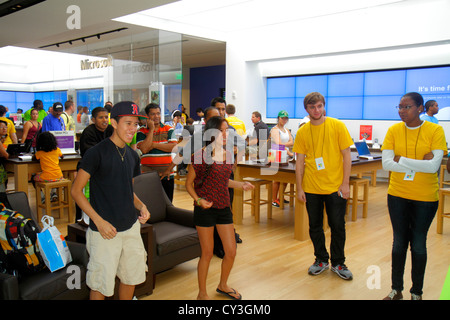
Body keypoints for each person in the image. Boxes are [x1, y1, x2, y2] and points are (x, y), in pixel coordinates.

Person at [71, 101, 150, 300]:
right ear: (114, 123)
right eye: (128, 123)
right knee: (100, 284)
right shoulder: (96, 153)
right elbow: (76, 191)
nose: (133, 129)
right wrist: (98, 221)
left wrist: (141, 206)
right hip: (104, 232)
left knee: (131, 277)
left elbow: (127, 190)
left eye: (135, 124)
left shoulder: (133, 155)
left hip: (130, 227)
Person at [381, 92, 447, 300]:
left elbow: (433, 166)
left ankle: (416, 292)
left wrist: (403, 160)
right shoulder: (393, 130)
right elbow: (386, 164)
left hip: (425, 198)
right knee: (398, 243)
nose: (402, 111)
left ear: (419, 108)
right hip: (397, 194)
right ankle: (396, 289)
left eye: (407, 107)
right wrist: (420, 162)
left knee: (418, 244)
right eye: (399, 107)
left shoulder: (435, 130)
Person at [185, 116, 254, 300]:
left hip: (223, 207)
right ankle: (202, 293)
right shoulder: (199, 156)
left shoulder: (229, 154)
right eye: (222, 131)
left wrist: (241, 185)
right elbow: (189, 184)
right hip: (205, 209)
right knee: (207, 253)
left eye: (227, 131)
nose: (226, 134)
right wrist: (198, 200)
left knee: (231, 251)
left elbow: (224, 181)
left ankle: (223, 285)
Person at [293, 92, 353, 281]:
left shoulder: (337, 125)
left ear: (324, 106)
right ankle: (320, 259)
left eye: (319, 106)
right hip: (311, 188)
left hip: (335, 187)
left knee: (338, 226)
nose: (316, 110)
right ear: (306, 109)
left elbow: (346, 156)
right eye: (312, 107)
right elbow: (300, 163)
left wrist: (345, 184)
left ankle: (338, 262)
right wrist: (300, 188)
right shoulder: (303, 132)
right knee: (315, 226)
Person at [75, 107, 114, 222]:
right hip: (89, 172)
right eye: (101, 117)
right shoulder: (88, 132)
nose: (105, 120)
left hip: (107, 171)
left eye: (106, 117)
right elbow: (90, 154)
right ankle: (80, 223)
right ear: (93, 119)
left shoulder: (111, 130)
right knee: (86, 200)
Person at [137, 103, 177, 202]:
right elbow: (145, 149)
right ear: (147, 116)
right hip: (147, 176)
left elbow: (174, 148)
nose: (156, 116)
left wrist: (154, 145)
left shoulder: (168, 129)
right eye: (153, 114)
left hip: (166, 174)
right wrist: (151, 130)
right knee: (149, 205)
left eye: (158, 113)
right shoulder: (141, 132)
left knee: (168, 204)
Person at [270, 110, 294, 207]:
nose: (284, 120)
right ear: (278, 118)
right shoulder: (275, 130)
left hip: (284, 155)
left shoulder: (286, 130)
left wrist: (283, 146)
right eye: (282, 118)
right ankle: (274, 199)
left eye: (286, 118)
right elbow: (277, 144)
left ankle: (281, 196)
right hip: (275, 155)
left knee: (285, 177)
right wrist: (288, 151)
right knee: (277, 178)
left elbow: (292, 142)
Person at [32, 131, 64, 201]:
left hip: (46, 177)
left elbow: (34, 158)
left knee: (33, 178)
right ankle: (53, 193)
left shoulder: (39, 153)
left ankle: (42, 197)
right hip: (59, 176)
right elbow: (62, 156)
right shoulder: (57, 150)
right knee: (54, 178)